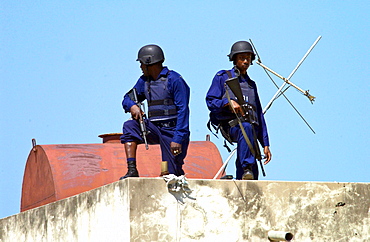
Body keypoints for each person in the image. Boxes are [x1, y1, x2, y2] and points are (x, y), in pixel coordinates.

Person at [119, 44, 190, 179]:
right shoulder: (144, 81)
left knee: (171, 174)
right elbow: (127, 98)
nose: (140, 67)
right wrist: (132, 106)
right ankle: (132, 170)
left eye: (141, 63)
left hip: (172, 131)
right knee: (129, 126)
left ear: (148, 63)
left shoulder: (175, 80)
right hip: (153, 128)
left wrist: (178, 138)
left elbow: (183, 110)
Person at [206, 40, 272, 180]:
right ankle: (245, 168)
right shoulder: (223, 77)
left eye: (248, 58)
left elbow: (259, 115)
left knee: (252, 171)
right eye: (242, 58)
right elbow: (210, 101)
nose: (246, 61)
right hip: (231, 125)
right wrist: (227, 103)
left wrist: (265, 143)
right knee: (245, 129)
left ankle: (246, 178)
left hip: (250, 130)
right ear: (234, 59)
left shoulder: (251, 85)